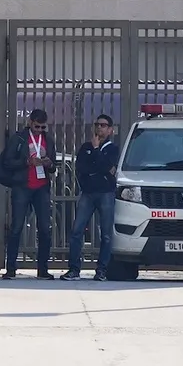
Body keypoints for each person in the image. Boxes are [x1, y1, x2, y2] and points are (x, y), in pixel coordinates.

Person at [0, 109, 59, 280]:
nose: (39, 130)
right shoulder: (19, 138)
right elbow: (7, 162)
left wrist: (49, 164)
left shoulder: (48, 140)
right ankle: (11, 268)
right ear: (30, 122)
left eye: (42, 127)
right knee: (17, 227)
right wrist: (27, 162)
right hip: (22, 186)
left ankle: (43, 269)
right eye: (37, 126)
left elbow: (54, 166)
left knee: (45, 229)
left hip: (42, 187)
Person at [62, 115, 120, 281]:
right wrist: (98, 168)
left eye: (103, 125)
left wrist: (96, 151)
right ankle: (74, 269)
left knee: (106, 234)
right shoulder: (85, 147)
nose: (99, 128)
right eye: (97, 124)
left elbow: (109, 168)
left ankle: (101, 271)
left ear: (110, 130)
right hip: (87, 193)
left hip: (106, 193)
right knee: (76, 231)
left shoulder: (113, 149)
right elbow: (81, 167)